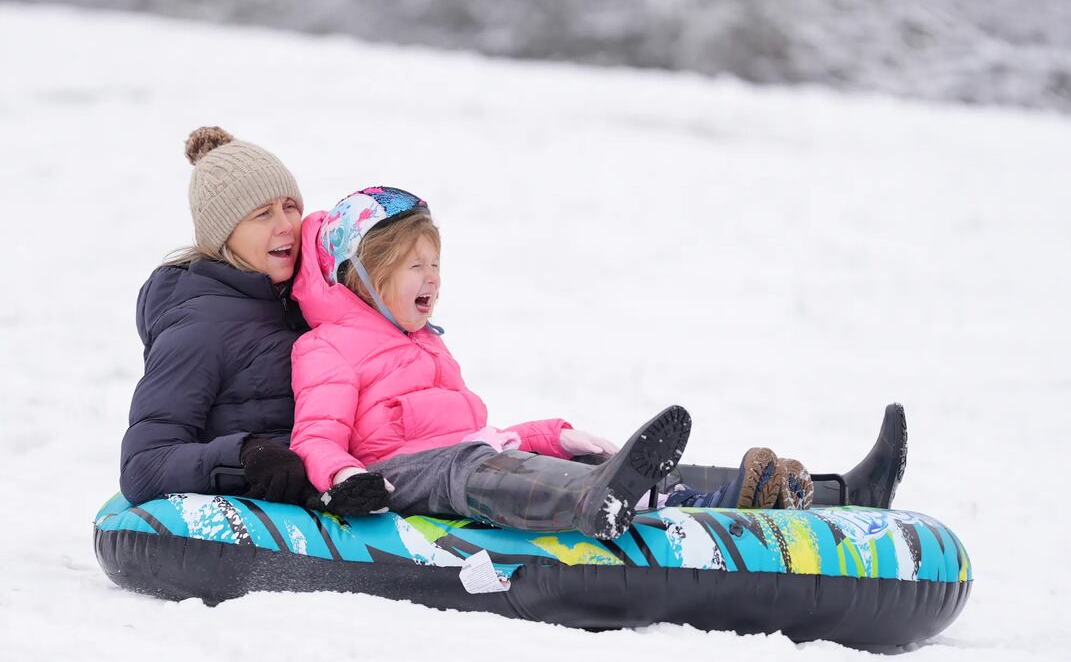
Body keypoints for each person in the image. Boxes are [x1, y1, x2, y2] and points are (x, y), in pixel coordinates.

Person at [287, 187, 829, 541]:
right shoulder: (328, 347)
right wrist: (345, 477)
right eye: (414, 266)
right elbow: (315, 437)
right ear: (366, 275)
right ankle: (592, 498)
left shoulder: (426, 343)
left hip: (462, 461)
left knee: (555, 454)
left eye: (436, 264)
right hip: (391, 479)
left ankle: (730, 498)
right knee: (466, 465)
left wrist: (548, 435)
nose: (432, 277)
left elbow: (476, 434)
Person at [118, 126, 316, 506]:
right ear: (223, 235)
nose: (285, 225)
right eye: (262, 213)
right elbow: (143, 464)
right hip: (270, 507)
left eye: (290, 206)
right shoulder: (199, 326)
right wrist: (245, 457)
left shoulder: (310, 302)